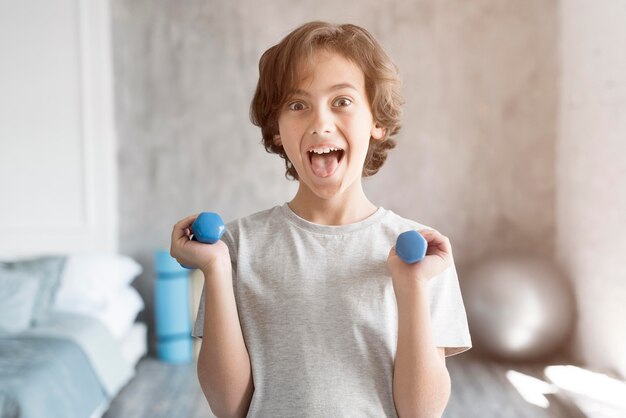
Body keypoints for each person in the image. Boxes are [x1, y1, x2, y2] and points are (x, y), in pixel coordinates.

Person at [170, 21, 471, 418]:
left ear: (376, 121)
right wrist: (216, 268)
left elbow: (422, 412)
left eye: (342, 101)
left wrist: (412, 285)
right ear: (277, 131)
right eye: (298, 105)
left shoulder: (422, 253)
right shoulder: (238, 247)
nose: (320, 122)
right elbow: (229, 407)